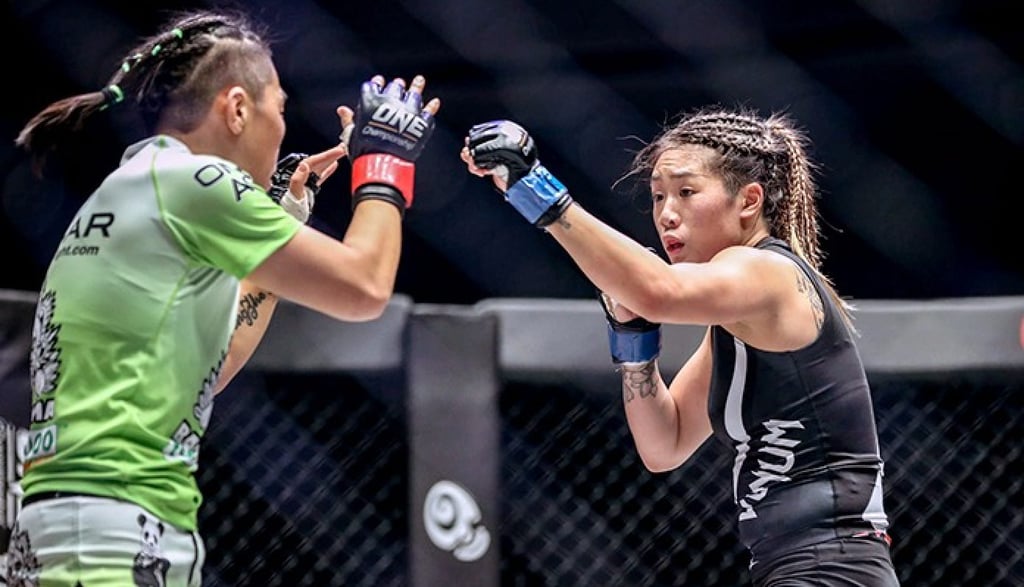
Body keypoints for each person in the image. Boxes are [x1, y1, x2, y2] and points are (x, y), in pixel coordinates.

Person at [7, 8, 440, 586]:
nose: (283, 128)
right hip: (114, 532)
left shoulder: (130, 189)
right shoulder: (195, 184)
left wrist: (285, 217)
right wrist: (384, 162)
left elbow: (210, 367)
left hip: (87, 526)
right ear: (237, 109)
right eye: (279, 109)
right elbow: (362, 288)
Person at [461, 112, 899, 585]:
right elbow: (663, 444)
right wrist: (634, 340)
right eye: (657, 196)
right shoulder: (736, 325)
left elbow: (658, 290)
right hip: (797, 566)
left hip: (832, 566)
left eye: (686, 192)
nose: (667, 213)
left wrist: (535, 187)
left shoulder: (768, 273)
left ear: (748, 201)